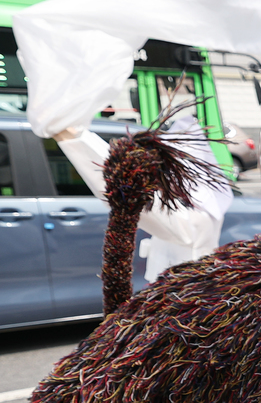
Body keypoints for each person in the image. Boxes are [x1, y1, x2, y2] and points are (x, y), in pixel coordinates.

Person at [53, 112, 232, 281]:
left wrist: (73, 140)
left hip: (183, 290)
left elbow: (126, 191)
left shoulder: (195, 213)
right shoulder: (203, 200)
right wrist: (77, 138)